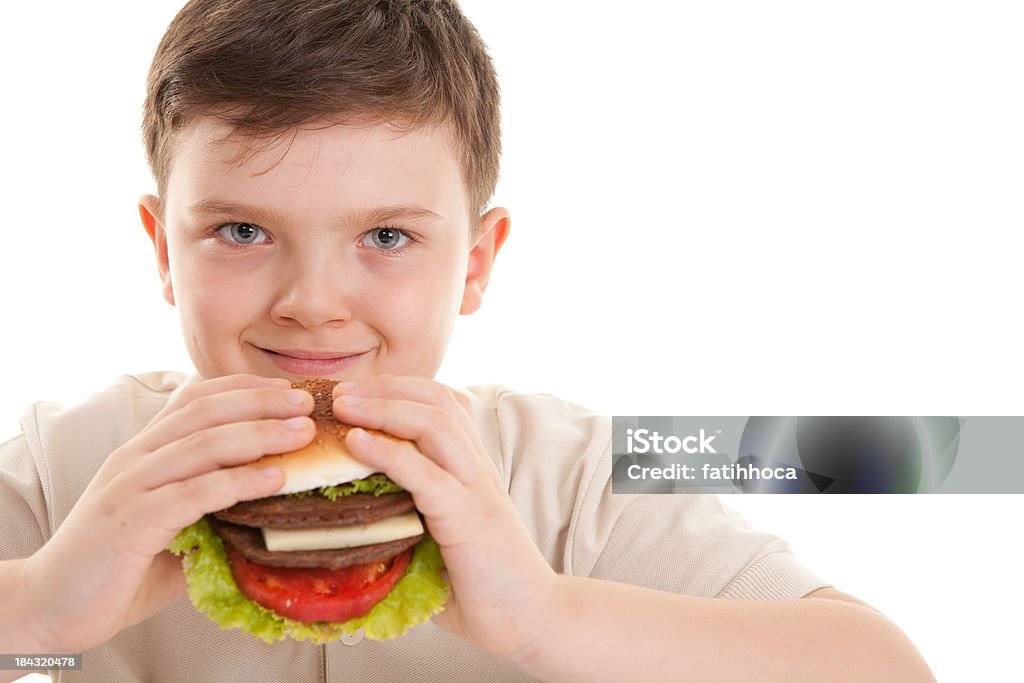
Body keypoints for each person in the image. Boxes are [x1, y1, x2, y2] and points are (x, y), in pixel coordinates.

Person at [0, 1, 935, 680]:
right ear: (165, 249)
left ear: (477, 261)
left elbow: (884, 669)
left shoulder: (569, 473)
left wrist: (547, 617)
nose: (314, 303)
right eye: (241, 232)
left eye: (387, 237)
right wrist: (38, 610)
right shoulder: (69, 463)